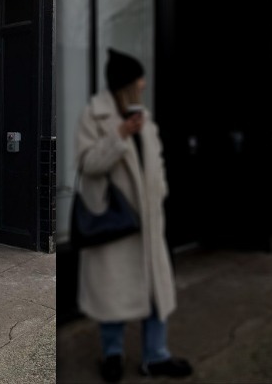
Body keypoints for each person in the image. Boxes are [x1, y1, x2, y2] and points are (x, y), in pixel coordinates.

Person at [74, 48, 193, 382]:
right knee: (114, 293)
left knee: (156, 293)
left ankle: (156, 356)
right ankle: (113, 355)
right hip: (116, 224)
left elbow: (156, 165)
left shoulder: (146, 119)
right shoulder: (94, 116)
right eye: (138, 78)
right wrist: (119, 135)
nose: (143, 84)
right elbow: (88, 164)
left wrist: (161, 193)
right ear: (125, 83)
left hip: (149, 224)